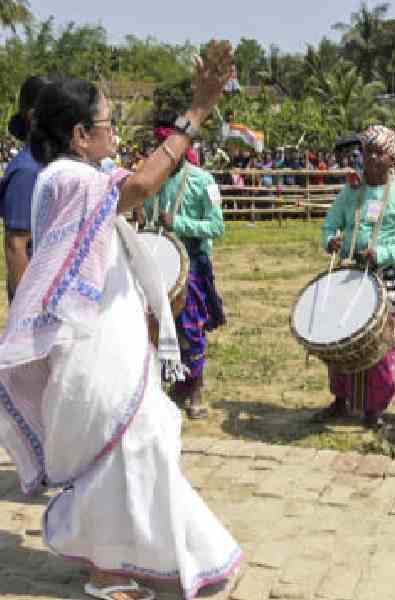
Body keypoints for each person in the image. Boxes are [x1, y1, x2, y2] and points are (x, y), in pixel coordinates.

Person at [0, 44, 241, 600]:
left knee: (144, 443)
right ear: (80, 134)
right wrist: (195, 114)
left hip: (106, 342)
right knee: (128, 447)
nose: (115, 133)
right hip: (91, 349)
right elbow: (140, 186)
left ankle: (142, 558)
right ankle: (108, 569)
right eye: (108, 124)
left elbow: (130, 184)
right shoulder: (67, 180)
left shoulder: (79, 174)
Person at [315, 125, 395, 428]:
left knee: (380, 346)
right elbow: (329, 226)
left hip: (383, 277)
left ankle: (374, 410)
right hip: (349, 275)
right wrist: (331, 241)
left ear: (392, 157)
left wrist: (383, 253)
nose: (373, 158)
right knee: (341, 342)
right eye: (368, 152)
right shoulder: (351, 191)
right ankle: (340, 400)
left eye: (380, 153)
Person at [142, 120, 227, 421]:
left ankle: (195, 389)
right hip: (159, 265)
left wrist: (177, 224)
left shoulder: (204, 181)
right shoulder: (153, 179)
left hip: (192, 263)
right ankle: (174, 384)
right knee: (161, 328)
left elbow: (217, 227)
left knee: (191, 327)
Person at [0, 76, 52, 302]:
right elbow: (17, 246)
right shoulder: (28, 171)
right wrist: (27, 311)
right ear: (34, 117)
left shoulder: (45, 163)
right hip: (34, 303)